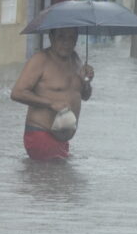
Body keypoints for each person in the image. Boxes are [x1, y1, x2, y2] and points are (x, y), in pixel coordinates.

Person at [10, 27, 94, 160]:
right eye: (61, 37)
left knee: (58, 178)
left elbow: (85, 96)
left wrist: (87, 81)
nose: (66, 42)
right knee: (55, 178)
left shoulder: (77, 61)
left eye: (71, 38)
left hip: (62, 138)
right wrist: (51, 103)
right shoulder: (40, 60)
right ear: (51, 37)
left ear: (77, 39)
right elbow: (17, 93)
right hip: (41, 134)